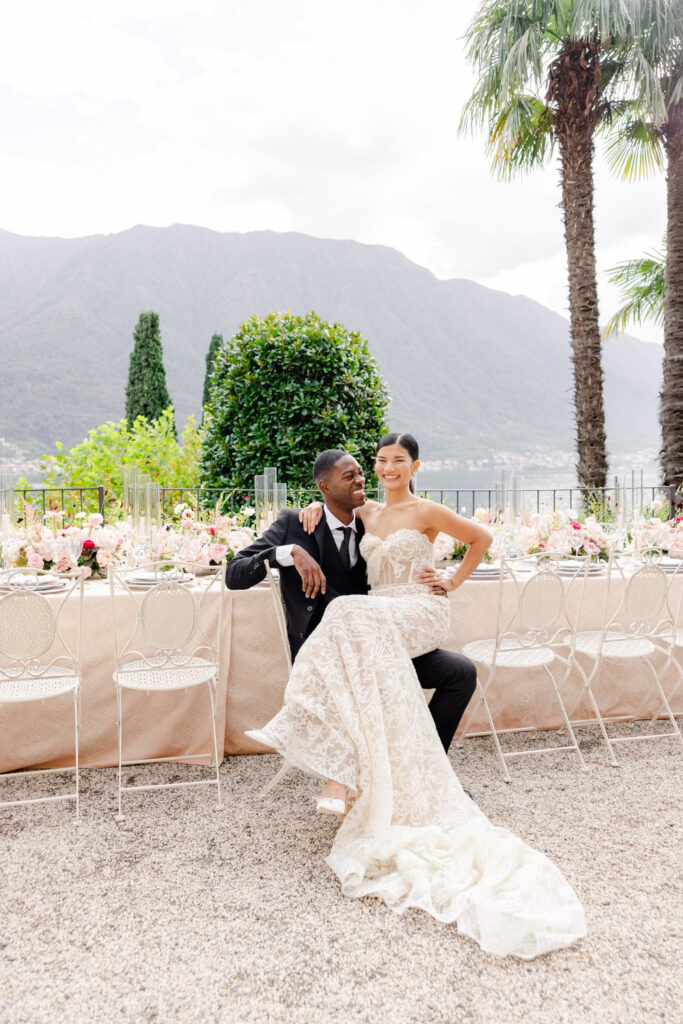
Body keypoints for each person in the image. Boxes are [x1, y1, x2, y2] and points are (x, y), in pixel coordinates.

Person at [234, 433, 587, 959]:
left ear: (414, 465)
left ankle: (413, 771)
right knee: (357, 621)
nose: (374, 472)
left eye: (390, 462)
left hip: (404, 616)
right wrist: (292, 542)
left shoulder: (417, 509)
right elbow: (237, 572)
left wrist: (451, 579)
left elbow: (480, 538)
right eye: (370, 465)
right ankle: (394, 773)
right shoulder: (339, 516)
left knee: (455, 670)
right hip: (365, 635)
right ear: (327, 485)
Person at [225, 450, 478, 760]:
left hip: (377, 644)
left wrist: (442, 579)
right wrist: (288, 551)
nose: (360, 480)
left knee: (461, 672)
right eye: (349, 476)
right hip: (329, 656)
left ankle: (428, 766)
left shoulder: (367, 525)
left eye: (360, 472)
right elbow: (233, 574)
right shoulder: (295, 524)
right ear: (325, 487)